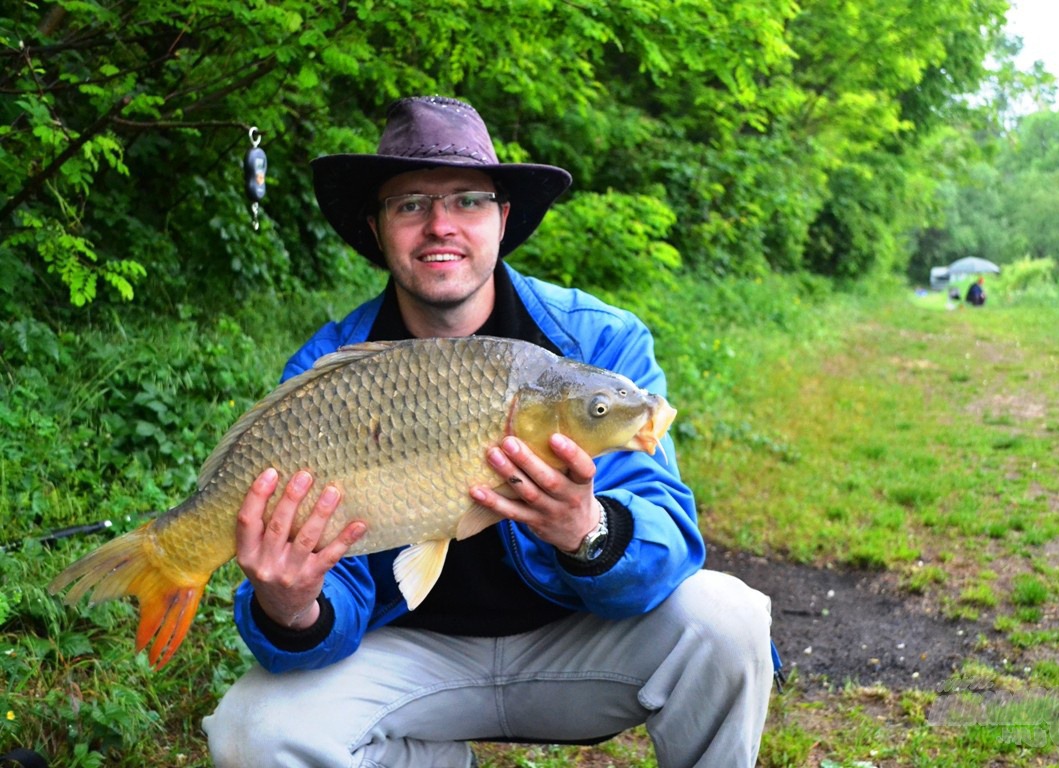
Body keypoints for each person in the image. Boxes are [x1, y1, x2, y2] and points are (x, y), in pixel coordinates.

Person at [202, 96, 774, 768]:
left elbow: (670, 539)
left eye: (468, 200)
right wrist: (290, 603)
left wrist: (586, 529)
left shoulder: (597, 344)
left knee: (728, 621)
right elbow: (330, 603)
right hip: (407, 659)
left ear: (503, 218)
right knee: (249, 733)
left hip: (577, 644)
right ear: (378, 226)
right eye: (410, 204)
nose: (440, 224)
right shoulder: (331, 375)